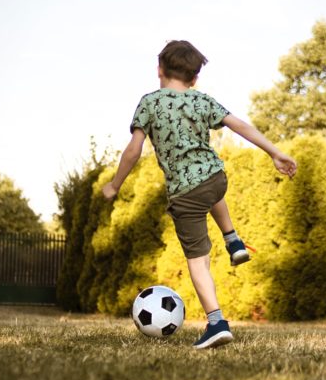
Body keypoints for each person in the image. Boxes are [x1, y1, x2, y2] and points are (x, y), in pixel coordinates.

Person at [102, 40, 297, 349]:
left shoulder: (150, 103)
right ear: (194, 79)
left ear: (159, 70)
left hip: (185, 195)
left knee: (198, 262)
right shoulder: (202, 101)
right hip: (216, 178)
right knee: (209, 185)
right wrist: (275, 152)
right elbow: (240, 126)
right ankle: (232, 239)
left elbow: (133, 150)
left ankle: (216, 322)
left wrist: (115, 184)